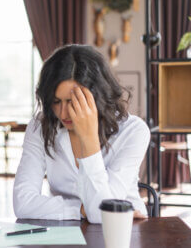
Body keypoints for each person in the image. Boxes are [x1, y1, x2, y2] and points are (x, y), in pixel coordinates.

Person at [13, 45, 150, 224]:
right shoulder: (40, 126)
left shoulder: (134, 131)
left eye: (72, 101)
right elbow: (22, 203)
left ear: (97, 96)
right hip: (65, 232)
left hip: (123, 231)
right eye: (56, 102)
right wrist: (81, 209)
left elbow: (103, 216)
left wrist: (89, 138)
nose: (63, 114)